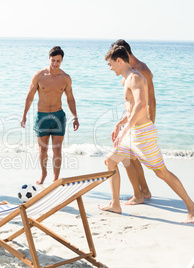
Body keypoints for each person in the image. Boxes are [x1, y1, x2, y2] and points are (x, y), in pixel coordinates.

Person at [100, 45, 194, 223]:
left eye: (110, 64)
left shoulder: (135, 78)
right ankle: (115, 204)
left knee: (162, 173)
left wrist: (124, 130)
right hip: (131, 133)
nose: (110, 68)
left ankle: (191, 207)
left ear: (119, 60)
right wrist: (120, 124)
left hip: (142, 134)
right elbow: (130, 108)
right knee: (110, 161)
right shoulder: (126, 79)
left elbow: (141, 106)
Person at [21, 46, 79, 185]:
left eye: (58, 61)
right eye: (53, 60)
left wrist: (75, 116)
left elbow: (70, 98)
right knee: (43, 149)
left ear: (62, 60)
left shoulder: (65, 78)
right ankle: (43, 173)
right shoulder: (39, 76)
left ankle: (55, 179)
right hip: (42, 117)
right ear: (49, 59)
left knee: (57, 149)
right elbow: (29, 97)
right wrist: (24, 115)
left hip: (58, 116)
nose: (55, 64)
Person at [111, 39, 154, 205]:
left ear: (124, 54)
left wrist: (149, 122)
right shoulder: (126, 72)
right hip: (130, 118)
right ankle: (142, 191)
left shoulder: (142, 71)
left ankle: (142, 192)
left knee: (154, 167)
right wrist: (122, 122)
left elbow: (150, 100)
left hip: (142, 121)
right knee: (129, 157)